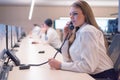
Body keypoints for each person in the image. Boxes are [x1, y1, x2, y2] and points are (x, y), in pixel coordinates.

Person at [48, 0, 117, 80]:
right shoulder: (79, 31)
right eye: (70, 14)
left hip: (103, 76)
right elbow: (67, 60)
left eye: (75, 14)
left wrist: (60, 65)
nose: (71, 17)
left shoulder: (87, 31)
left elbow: (88, 67)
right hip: (92, 74)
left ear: (85, 15)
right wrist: (66, 36)